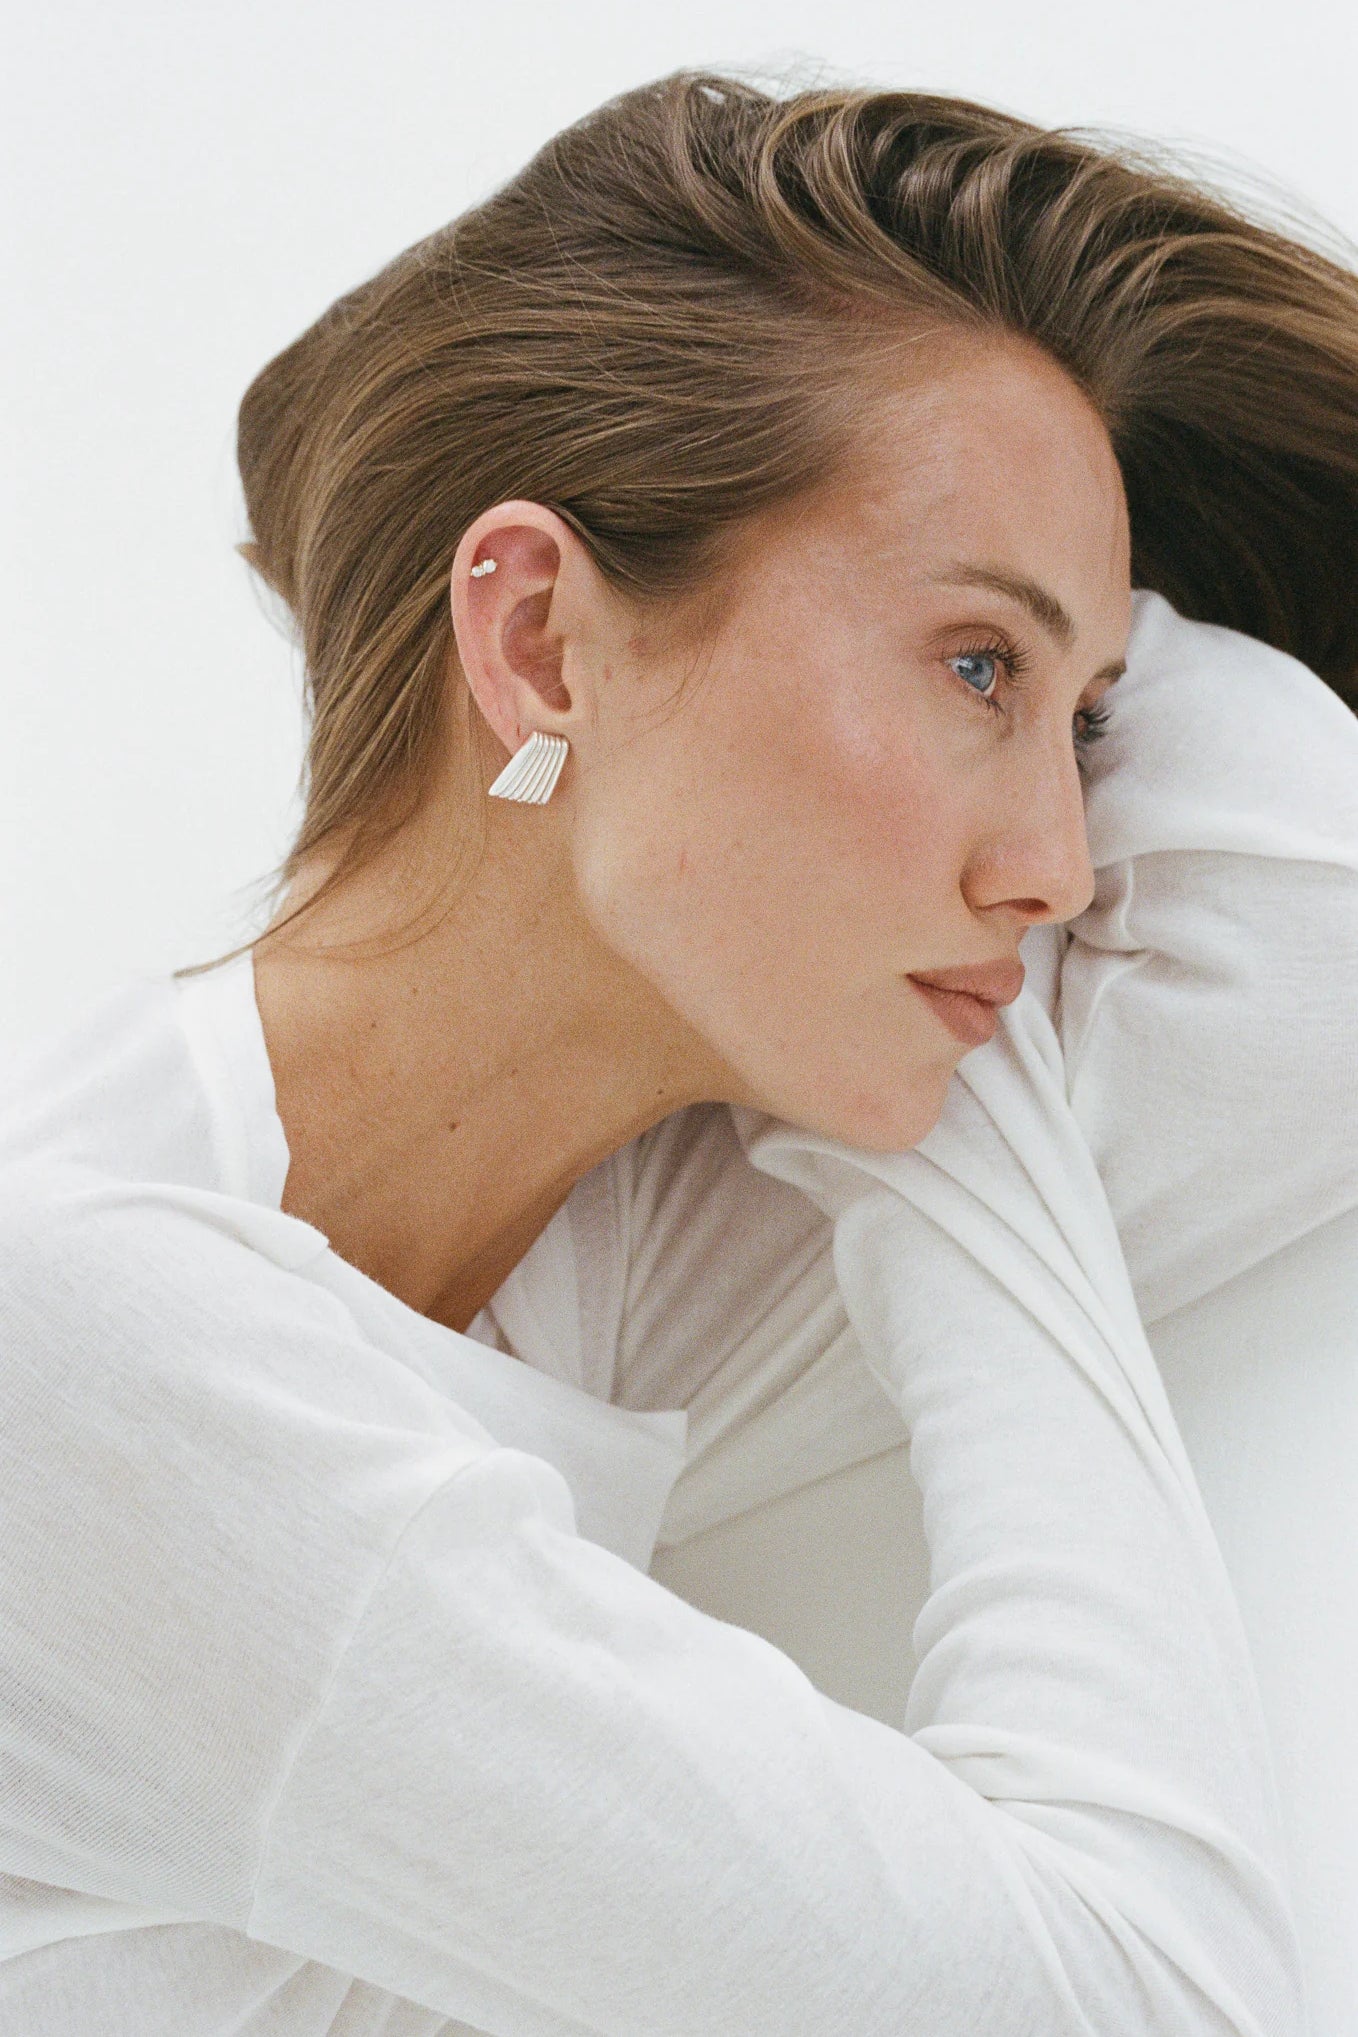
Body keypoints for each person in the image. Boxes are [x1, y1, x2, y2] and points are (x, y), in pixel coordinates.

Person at [1, 68, 1355, 2037]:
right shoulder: (68, 1365)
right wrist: (915, 1031)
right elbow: (1144, 2001)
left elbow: (1313, 932)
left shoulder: (594, 1255)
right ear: (540, 641)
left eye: (1086, 723)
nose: (1061, 868)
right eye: (978, 663)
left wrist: (897, 970)